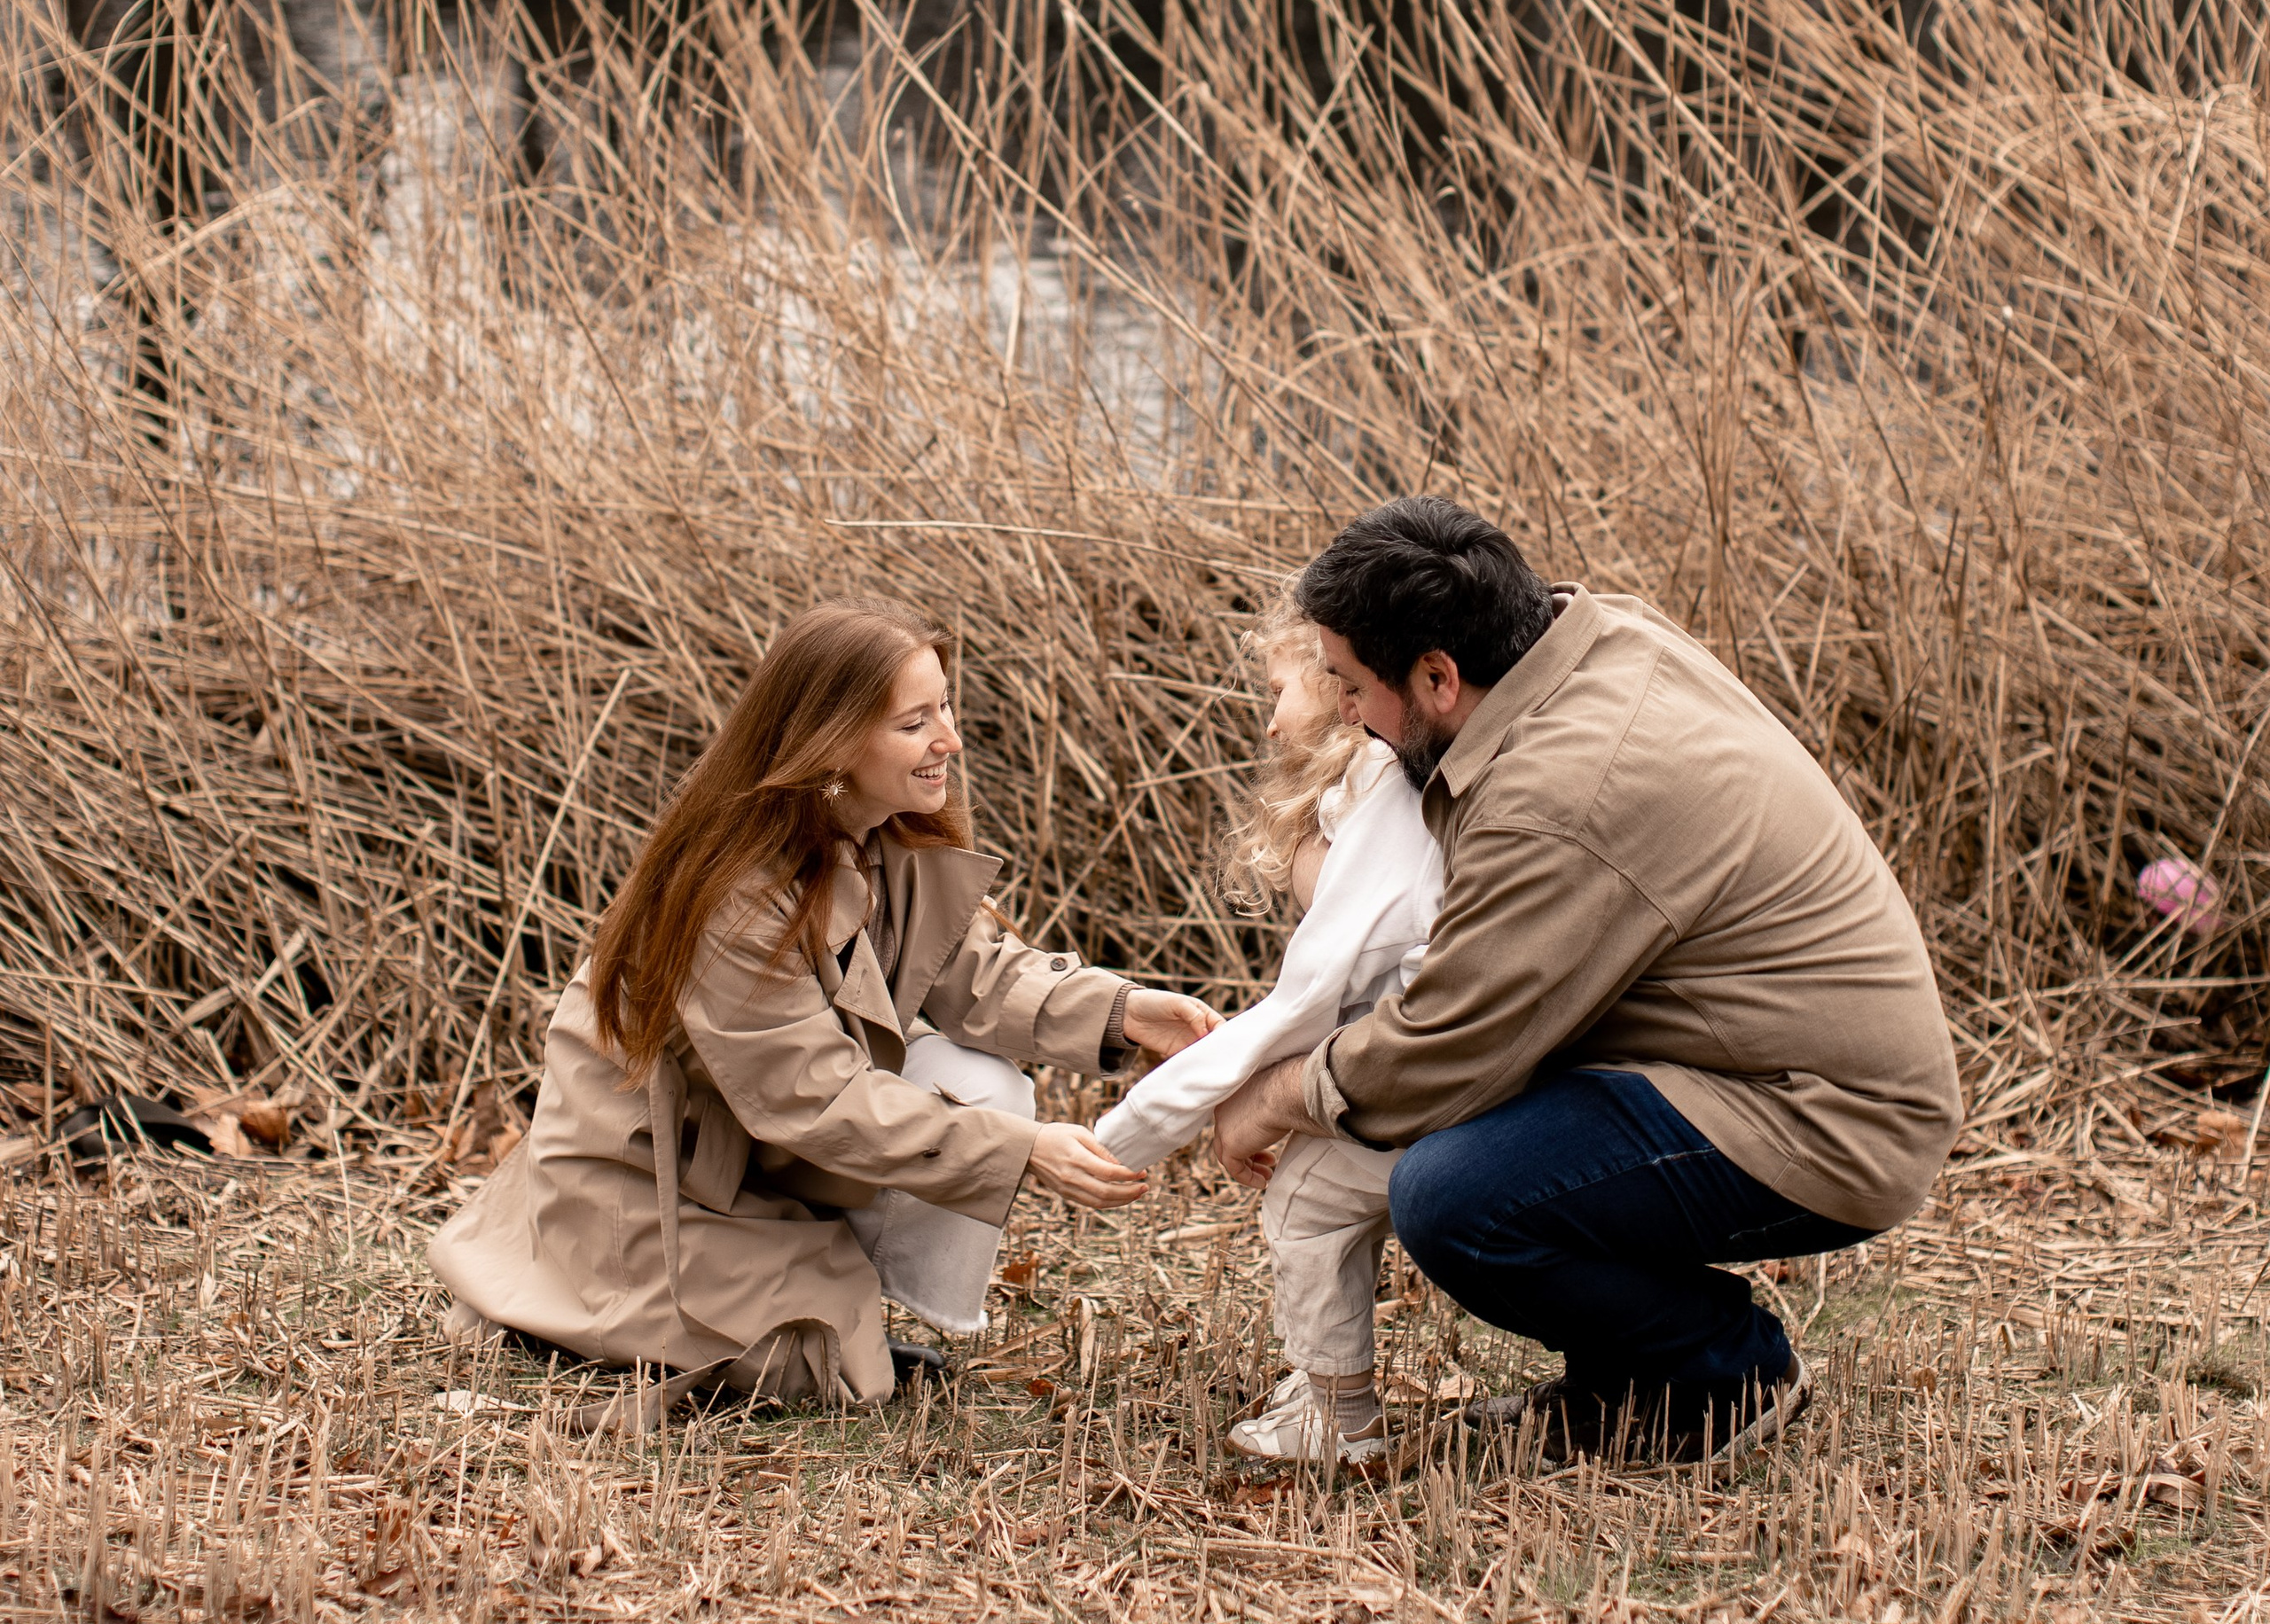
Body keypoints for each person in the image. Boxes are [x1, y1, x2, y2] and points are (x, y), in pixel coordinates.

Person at [1212, 498, 1962, 1464]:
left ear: (1438, 675)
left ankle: (1719, 1373)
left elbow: (1443, 1049)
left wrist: (1274, 1094)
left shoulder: (1563, 794)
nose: (1345, 710)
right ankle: (1625, 1384)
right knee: (1497, 1155)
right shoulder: (1592, 641)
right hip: (1745, 1059)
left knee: (1456, 1196)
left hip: (1824, 1120)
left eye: (1353, 685)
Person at [428, 597, 1219, 1412]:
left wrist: (1126, 1013)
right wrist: (1019, 1152)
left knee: (987, 1088)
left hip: (759, 1146)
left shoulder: (880, 828)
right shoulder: (732, 894)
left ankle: (823, 1280)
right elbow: (816, 1097)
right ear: (833, 742)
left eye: (944, 706)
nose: (949, 737)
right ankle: (562, 1304)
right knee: (825, 1367)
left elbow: (977, 972)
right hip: (657, 1177)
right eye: (916, 722)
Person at [1095, 605, 1442, 1466]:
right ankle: (1321, 1381)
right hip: (1412, 1060)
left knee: (1307, 1195)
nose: (1269, 717)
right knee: (1317, 1186)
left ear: (1337, 690)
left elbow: (1310, 999)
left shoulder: (1385, 798)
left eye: (1279, 690)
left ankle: (1336, 1413)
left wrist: (1148, 1123)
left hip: (1435, 1070)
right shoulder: (1364, 796)